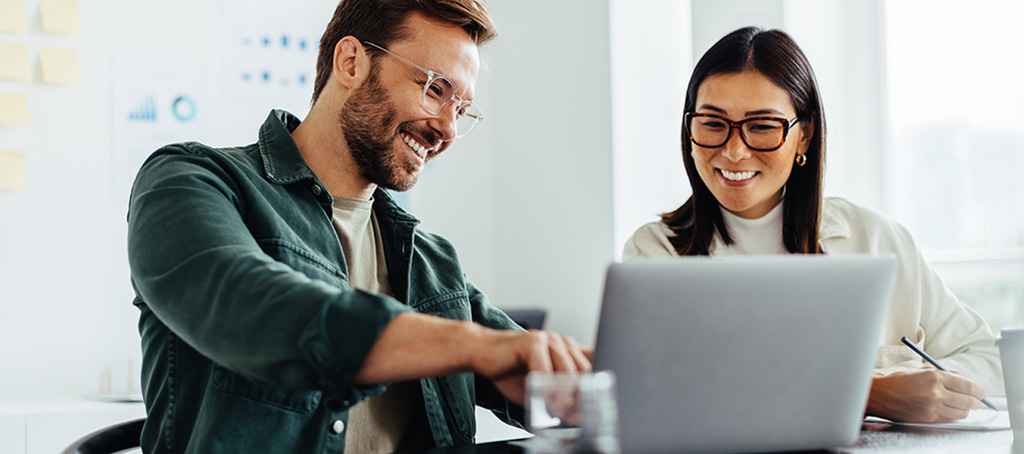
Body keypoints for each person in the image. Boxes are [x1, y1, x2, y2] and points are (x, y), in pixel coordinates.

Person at [126, 1, 590, 452]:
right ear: (350, 62)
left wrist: (588, 383)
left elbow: (525, 366)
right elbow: (255, 308)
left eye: (462, 110)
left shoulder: (431, 260)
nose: (448, 128)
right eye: (434, 89)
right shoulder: (191, 180)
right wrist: (472, 345)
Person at [622, 26, 1002, 424]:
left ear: (804, 136)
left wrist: (925, 388)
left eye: (763, 126)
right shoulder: (654, 254)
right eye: (713, 124)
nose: (734, 150)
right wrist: (868, 393)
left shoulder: (876, 239)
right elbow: (660, 390)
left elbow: (989, 360)